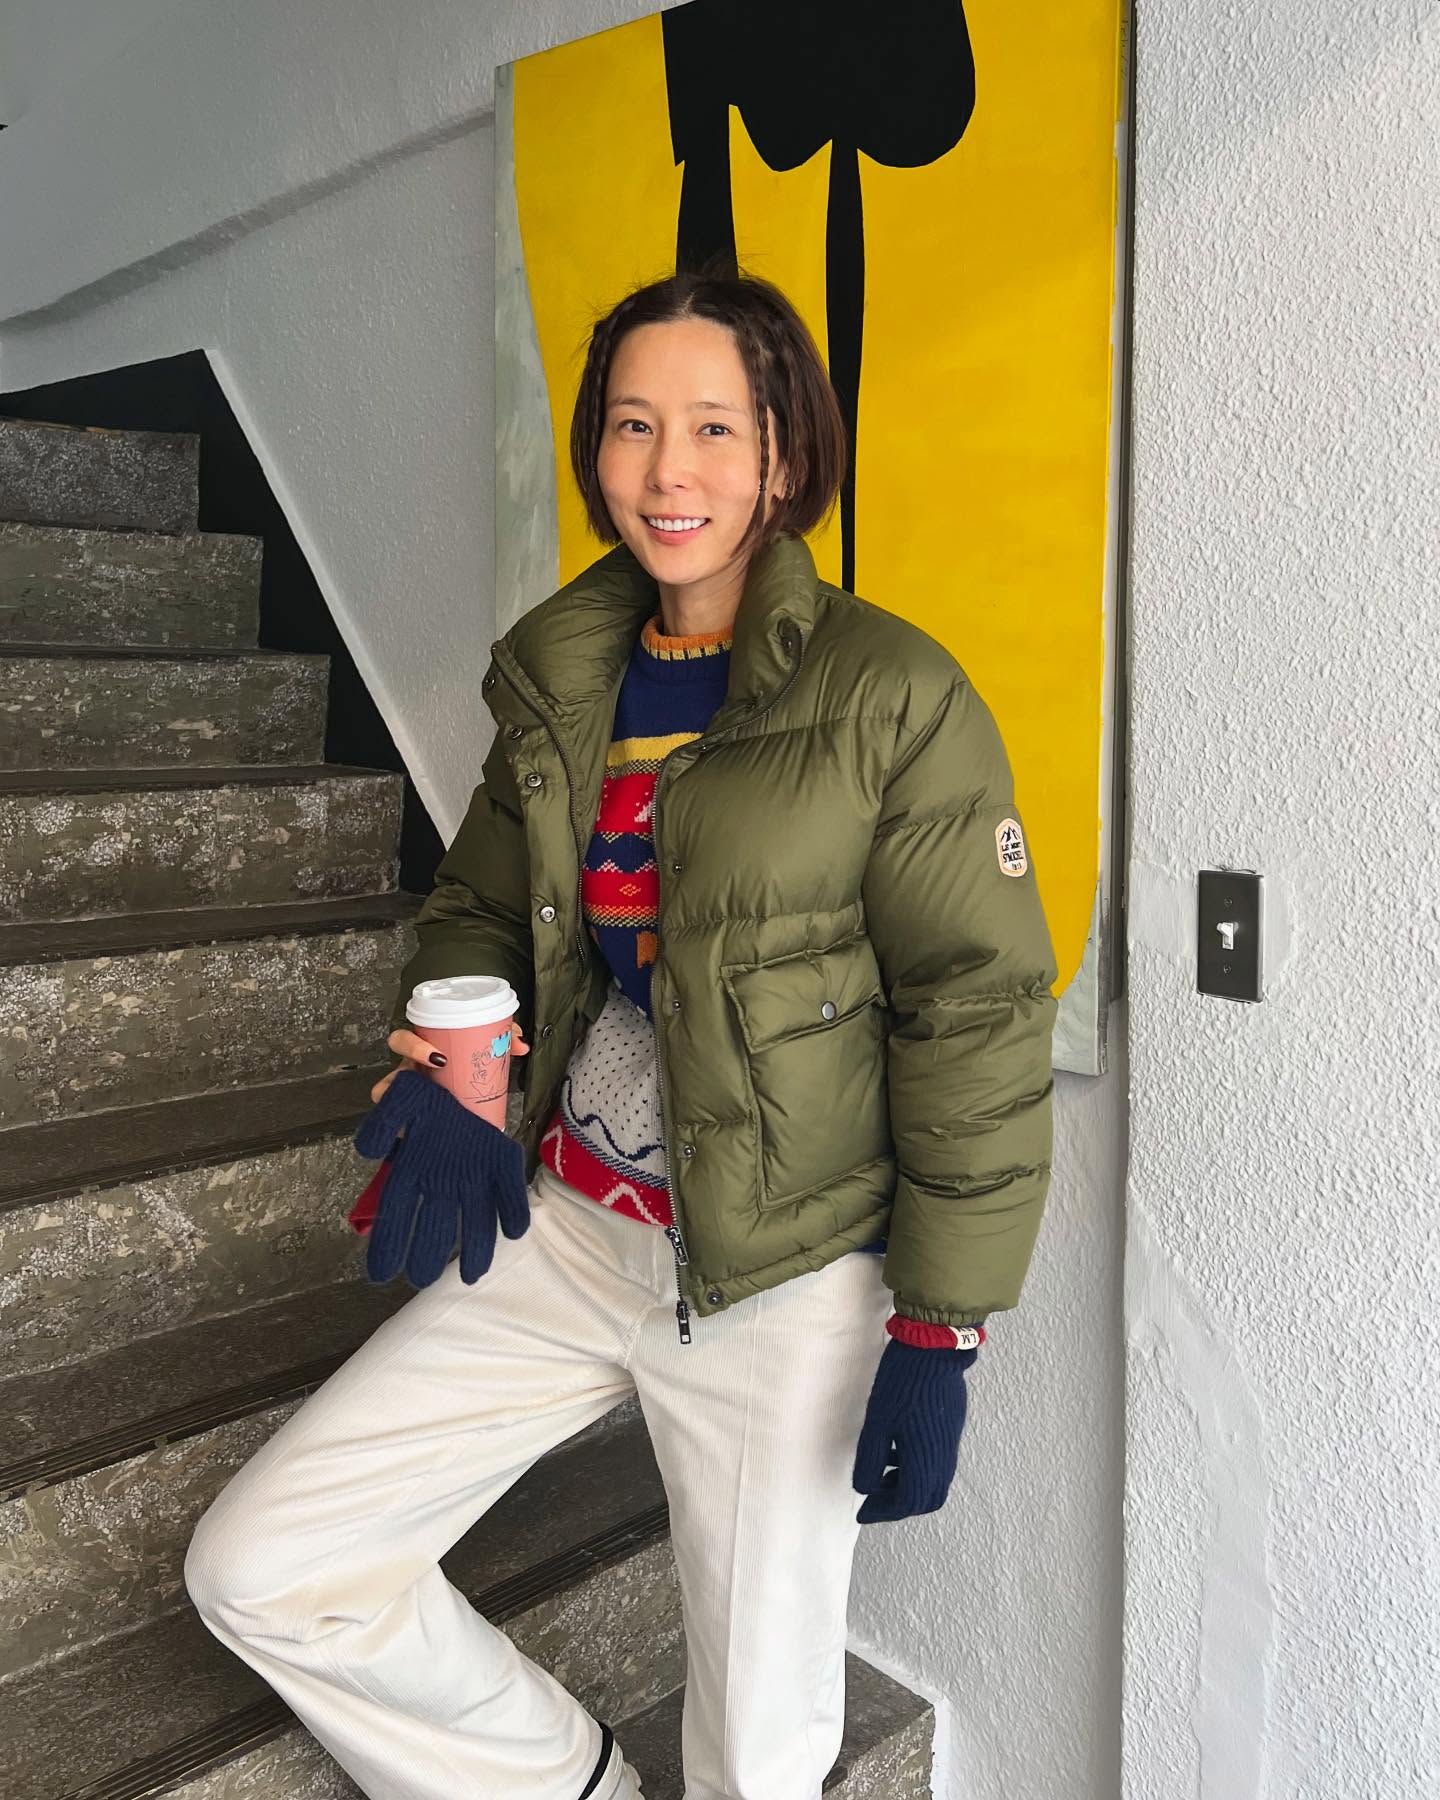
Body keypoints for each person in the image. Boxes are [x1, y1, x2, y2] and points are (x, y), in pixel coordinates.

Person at [184, 267, 1058, 1800]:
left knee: (759, 1758)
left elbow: (975, 1012)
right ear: (596, 447)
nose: (670, 470)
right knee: (268, 1563)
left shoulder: (895, 693)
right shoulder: (564, 677)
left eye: (716, 426)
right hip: (578, 1229)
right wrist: (464, 1056)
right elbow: (479, 903)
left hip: (784, 1277)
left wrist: (942, 1326)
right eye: (635, 425)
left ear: (785, 451)